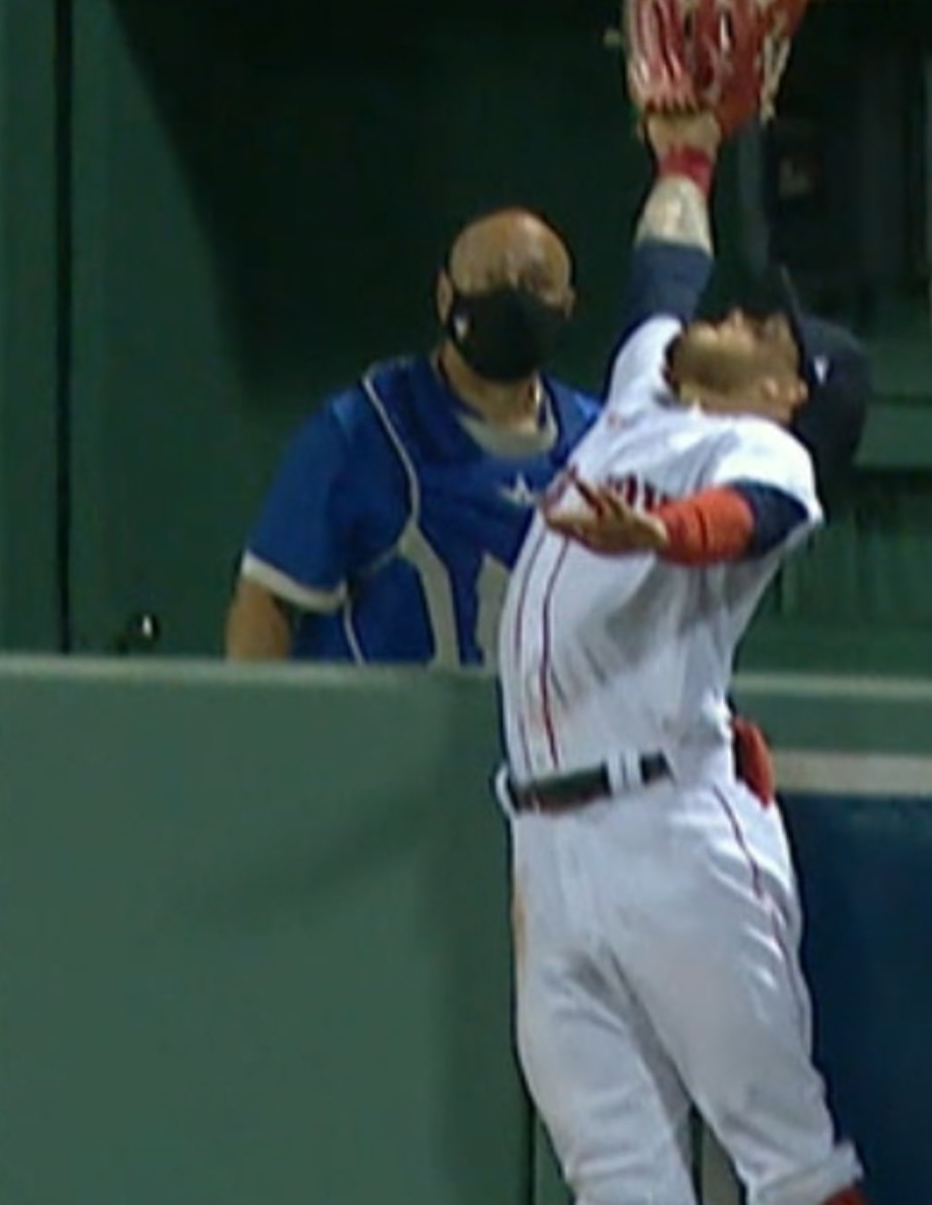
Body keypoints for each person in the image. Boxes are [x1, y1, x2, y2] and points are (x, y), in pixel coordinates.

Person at [493, 107, 875, 1205]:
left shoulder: (762, 447)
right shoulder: (645, 395)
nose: (746, 316)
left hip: (673, 830)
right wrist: (688, 155)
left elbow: (748, 515)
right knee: (617, 1175)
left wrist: (660, 534)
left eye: (772, 332)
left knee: (791, 1159)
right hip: (551, 841)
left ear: (790, 391)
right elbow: (666, 268)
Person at [222, 207, 602, 666]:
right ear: (446, 296)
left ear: (567, 305)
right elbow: (268, 601)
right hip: (381, 731)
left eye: (535, 282)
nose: (512, 296)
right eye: (491, 276)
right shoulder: (362, 431)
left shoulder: (599, 442)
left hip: (539, 731)